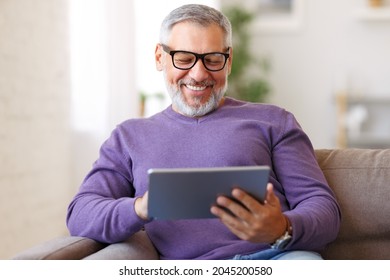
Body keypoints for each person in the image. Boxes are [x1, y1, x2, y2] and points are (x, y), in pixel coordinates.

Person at [66, 4, 341, 260]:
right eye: (184, 58)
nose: (198, 74)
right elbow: (81, 213)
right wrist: (142, 207)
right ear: (160, 57)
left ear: (229, 60)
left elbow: (324, 209)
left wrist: (282, 227)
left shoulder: (274, 121)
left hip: (278, 259)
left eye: (212, 59)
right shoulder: (129, 137)